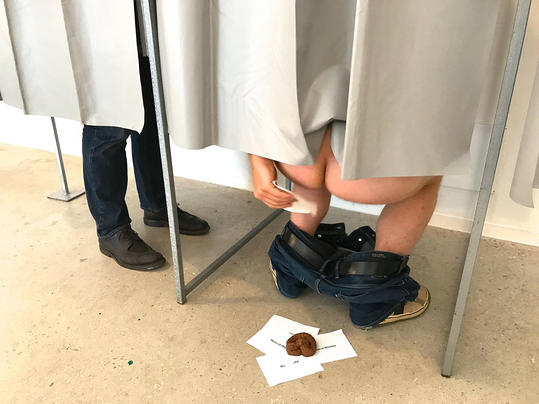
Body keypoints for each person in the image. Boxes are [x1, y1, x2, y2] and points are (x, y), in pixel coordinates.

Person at [250, 125, 441, 328]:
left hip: (300, 147)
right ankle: (373, 302)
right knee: (431, 176)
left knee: (310, 175)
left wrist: (258, 157)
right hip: (366, 167)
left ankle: (289, 269)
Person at [81, 11, 209, 271]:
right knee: (108, 128)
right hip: (104, 29)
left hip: (145, 28)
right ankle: (111, 229)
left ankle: (157, 206)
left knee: (151, 122)